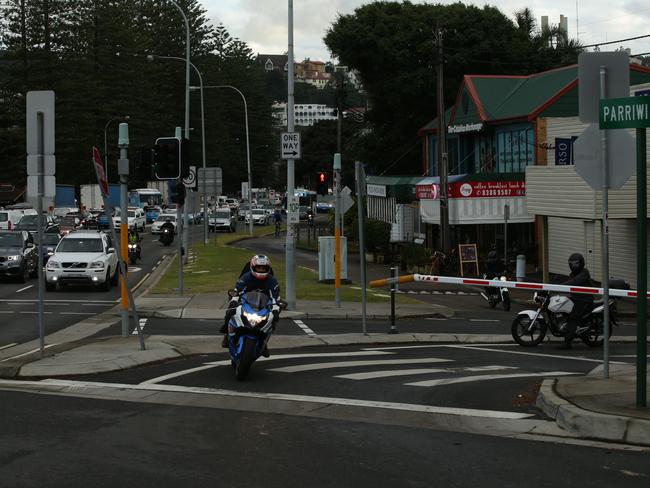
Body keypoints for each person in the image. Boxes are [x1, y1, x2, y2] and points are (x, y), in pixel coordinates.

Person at [221, 254, 281, 356]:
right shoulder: (246, 277)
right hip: (246, 302)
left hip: (263, 305)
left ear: (268, 268)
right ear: (253, 267)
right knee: (230, 311)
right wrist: (234, 300)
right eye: (259, 267)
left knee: (273, 320)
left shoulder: (272, 281)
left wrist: (276, 310)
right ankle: (227, 334)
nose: (261, 270)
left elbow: (275, 298)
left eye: (264, 268)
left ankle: (264, 343)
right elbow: (237, 291)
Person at [559, 253, 593, 349]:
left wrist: (560, 286)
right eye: (572, 264)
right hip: (576, 298)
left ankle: (567, 342)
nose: (573, 266)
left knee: (573, 317)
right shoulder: (574, 273)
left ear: (581, 263)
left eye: (576, 264)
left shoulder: (584, 273)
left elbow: (574, 282)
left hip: (584, 300)